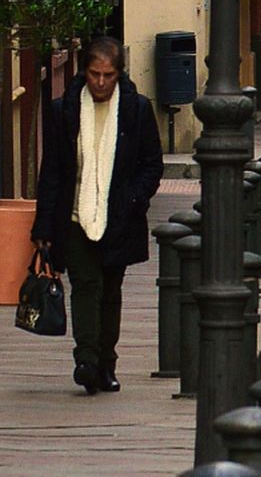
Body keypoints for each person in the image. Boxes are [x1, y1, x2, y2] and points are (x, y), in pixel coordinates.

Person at [31, 37, 162, 395]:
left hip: (119, 217)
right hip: (74, 217)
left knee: (110, 291)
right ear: (83, 72)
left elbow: (152, 166)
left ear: (119, 74)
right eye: (94, 74)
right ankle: (86, 361)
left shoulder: (136, 109)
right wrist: (43, 226)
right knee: (85, 286)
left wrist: (132, 199)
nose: (101, 82)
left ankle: (107, 363)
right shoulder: (64, 110)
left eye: (108, 75)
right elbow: (53, 172)